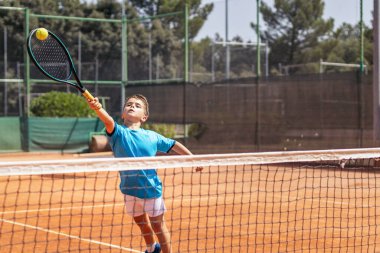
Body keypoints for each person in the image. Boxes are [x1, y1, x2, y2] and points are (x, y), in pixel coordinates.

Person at [87, 94, 198, 253]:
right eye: (129, 104)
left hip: (151, 190)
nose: (132, 106)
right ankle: (152, 247)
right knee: (140, 222)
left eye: (137, 106)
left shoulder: (152, 136)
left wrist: (192, 158)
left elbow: (174, 144)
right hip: (129, 190)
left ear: (144, 117)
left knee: (158, 226)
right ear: (123, 113)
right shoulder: (118, 133)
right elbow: (108, 121)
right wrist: (98, 108)